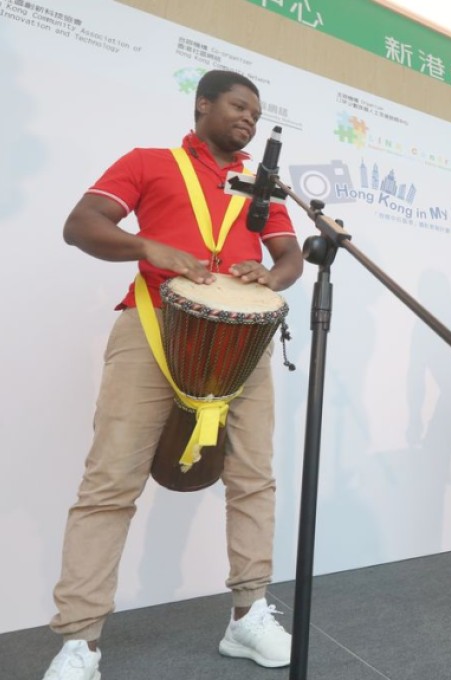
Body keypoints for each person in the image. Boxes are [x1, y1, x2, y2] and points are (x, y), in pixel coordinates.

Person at [42, 70, 304, 680]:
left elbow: (289, 256)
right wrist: (145, 247)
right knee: (109, 482)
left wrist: (273, 275)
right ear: (202, 104)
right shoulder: (148, 162)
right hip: (153, 327)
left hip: (243, 339)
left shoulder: (259, 184)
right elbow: (81, 224)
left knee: (253, 479)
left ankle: (248, 615)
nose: (249, 119)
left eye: (257, 113)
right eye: (238, 106)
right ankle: (81, 640)